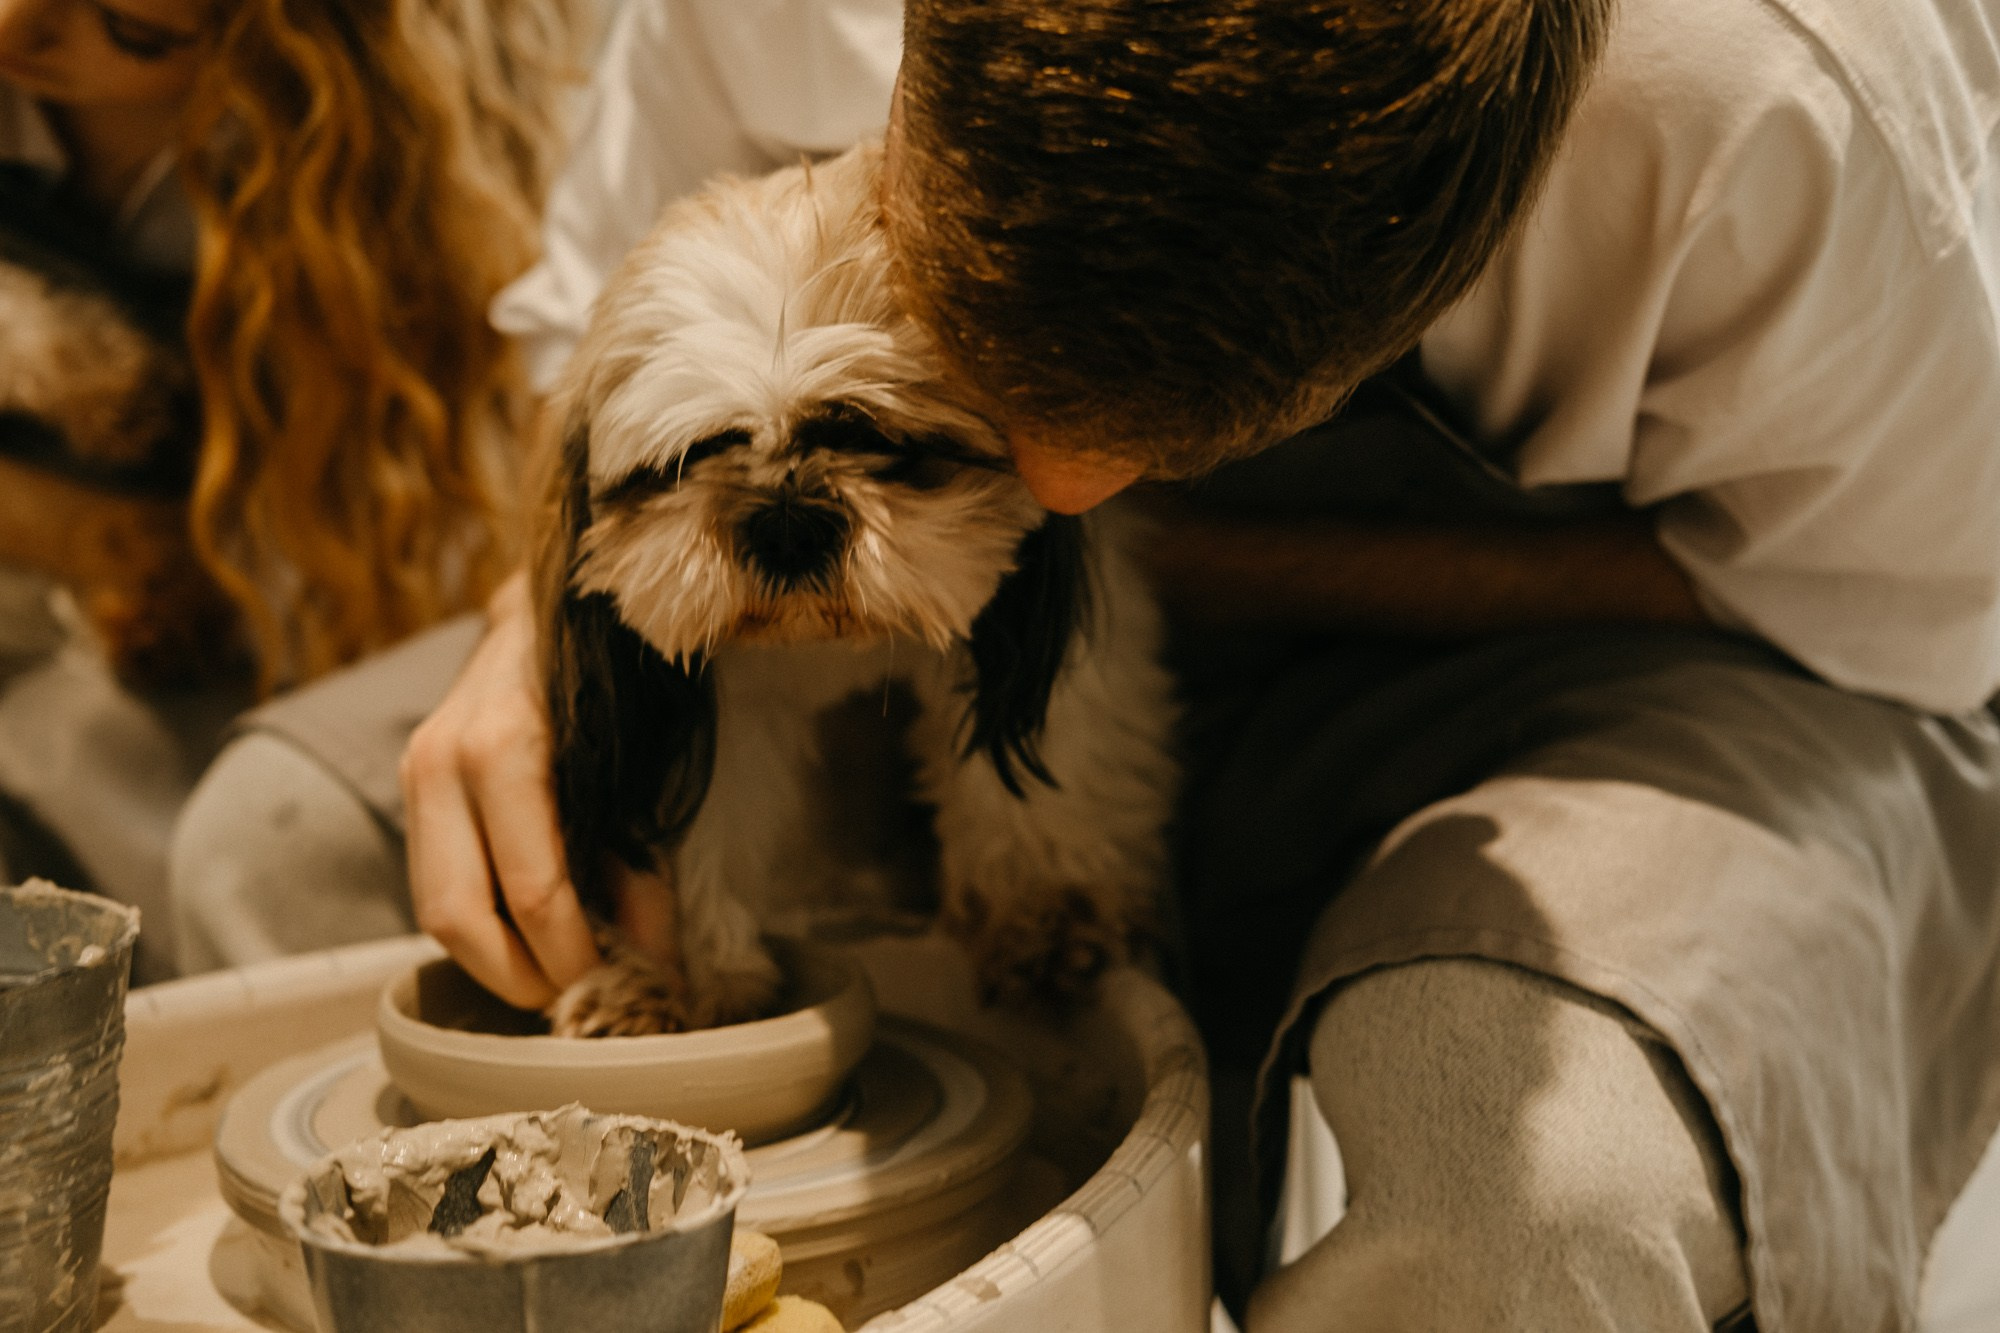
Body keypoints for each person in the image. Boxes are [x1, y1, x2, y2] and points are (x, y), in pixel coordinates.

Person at [399, 0, 2000, 1329]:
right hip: (929, 600)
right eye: (989, 343)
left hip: (1653, 644)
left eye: (1149, 433)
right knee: (308, 836)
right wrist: (519, 631)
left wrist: (1153, 554)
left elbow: (1896, 606)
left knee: (1537, 1187)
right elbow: (584, 336)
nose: (1070, 486)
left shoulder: (1784, 106)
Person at [0, 0, 581, 977]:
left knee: (253, 832)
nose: (16, 28)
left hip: (280, 615)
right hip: (56, 606)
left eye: (132, 29)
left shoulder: (392, 181)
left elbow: (415, 550)